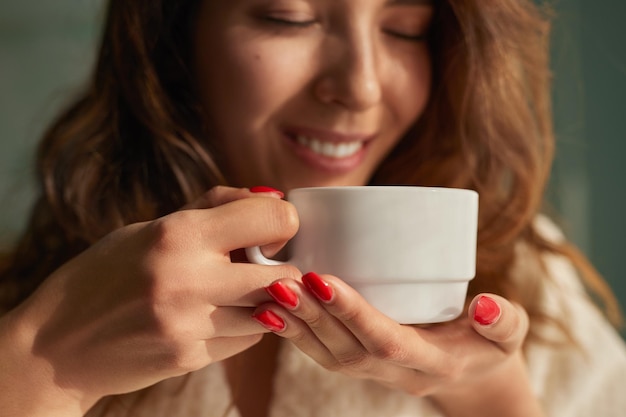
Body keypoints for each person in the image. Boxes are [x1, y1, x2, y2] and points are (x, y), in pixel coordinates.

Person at [0, 0, 624, 416]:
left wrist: (489, 393)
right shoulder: (27, 300)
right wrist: (41, 361)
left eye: (404, 26)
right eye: (288, 16)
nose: (362, 87)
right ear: (174, 34)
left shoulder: (532, 287)